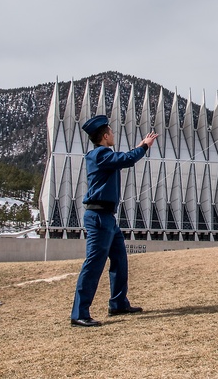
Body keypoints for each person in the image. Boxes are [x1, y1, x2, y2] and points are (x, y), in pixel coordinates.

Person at [70, 115, 158, 327]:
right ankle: (79, 313)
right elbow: (125, 160)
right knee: (93, 264)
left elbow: (122, 159)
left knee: (120, 260)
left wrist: (137, 148)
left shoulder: (104, 156)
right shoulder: (100, 154)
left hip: (107, 217)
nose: (114, 136)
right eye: (112, 132)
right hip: (99, 217)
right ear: (105, 135)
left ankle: (118, 303)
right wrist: (144, 147)